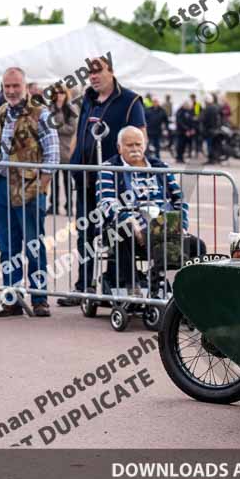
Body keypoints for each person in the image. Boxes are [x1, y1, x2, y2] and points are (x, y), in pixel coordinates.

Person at [57, 56, 146, 307]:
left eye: (98, 72)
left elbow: (141, 139)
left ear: (111, 72)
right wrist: (74, 162)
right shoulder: (87, 98)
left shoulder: (130, 101)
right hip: (85, 181)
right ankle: (84, 287)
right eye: (90, 73)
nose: (93, 77)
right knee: (85, 234)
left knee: (116, 233)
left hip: (113, 185)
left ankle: (117, 286)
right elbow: (78, 131)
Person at [0, 67, 61, 317]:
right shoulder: (2, 111)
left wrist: (42, 188)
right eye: (7, 86)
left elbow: (53, 155)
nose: (11, 91)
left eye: (15, 86)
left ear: (25, 86)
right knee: (7, 246)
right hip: (2, 186)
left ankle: (40, 299)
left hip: (30, 189)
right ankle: (11, 299)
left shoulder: (40, 113)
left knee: (34, 245)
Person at [96, 126, 204, 289]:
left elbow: (179, 199)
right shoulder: (109, 169)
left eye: (138, 144)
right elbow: (106, 203)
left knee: (197, 246)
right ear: (119, 148)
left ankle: (180, 288)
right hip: (130, 228)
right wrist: (130, 221)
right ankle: (133, 287)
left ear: (144, 145)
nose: (135, 149)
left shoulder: (160, 167)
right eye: (129, 145)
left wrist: (180, 226)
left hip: (163, 226)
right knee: (122, 232)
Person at [48, 85, 78, 216]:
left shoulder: (70, 109)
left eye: (62, 92)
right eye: (56, 92)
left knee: (67, 181)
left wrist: (56, 128)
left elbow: (72, 128)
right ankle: (53, 205)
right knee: (53, 181)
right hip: (52, 149)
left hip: (66, 149)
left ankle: (69, 206)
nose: (59, 95)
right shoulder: (49, 108)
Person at [199, 95, 222, 163]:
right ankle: (215, 158)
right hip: (216, 129)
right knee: (214, 145)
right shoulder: (216, 107)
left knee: (210, 145)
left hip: (209, 130)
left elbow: (202, 118)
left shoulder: (207, 108)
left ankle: (211, 159)